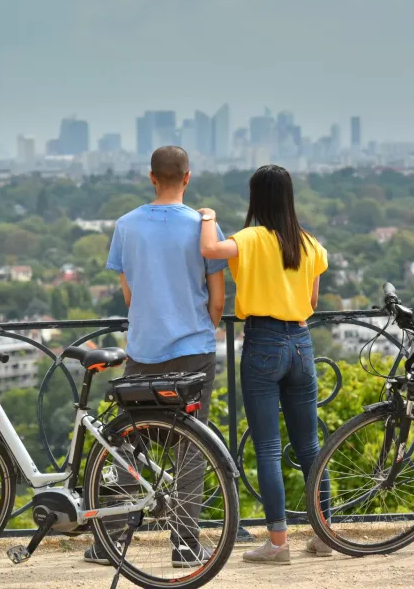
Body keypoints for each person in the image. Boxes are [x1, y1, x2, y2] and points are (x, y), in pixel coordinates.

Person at [83, 145, 227, 568]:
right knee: (191, 446)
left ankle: (111, 541)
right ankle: (184, 545)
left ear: (151, 177)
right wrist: (203, 325)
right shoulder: (204, 228)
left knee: (129, 441)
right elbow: (217, 300)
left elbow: (130, 294)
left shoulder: (126, 226)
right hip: (194, 350)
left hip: (143, 351)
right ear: (187, 177)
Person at [199, 164, 332, 564]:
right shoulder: (309, 243)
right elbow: (311, 303)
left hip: (263, 343)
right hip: (301, 344)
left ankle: (278, 543)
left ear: (256, 199)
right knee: (310, 447)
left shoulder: (251, 238)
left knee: (269, 449)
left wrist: (208, 217)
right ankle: (325, 534)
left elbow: (210, 250)